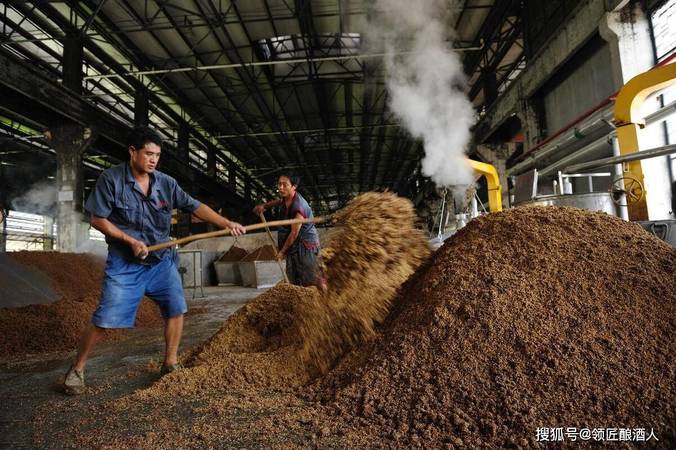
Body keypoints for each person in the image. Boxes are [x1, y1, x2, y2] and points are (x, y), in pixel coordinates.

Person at [62, 126, 245, 395]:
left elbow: (194, 206)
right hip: (126, 264)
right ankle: (77, 369)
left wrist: (226, 222)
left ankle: (170, 362)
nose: (153, 160)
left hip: (161, 261)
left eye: (157, 155)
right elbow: (98, 219)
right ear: (132, 151)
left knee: (176, 308)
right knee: (105, 318)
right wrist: (130, 241)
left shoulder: (166, 183)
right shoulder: (110, 180)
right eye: (148, 153)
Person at [253, 174, 324, 288]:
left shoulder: (299, 207)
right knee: (293, 276)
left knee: (311, 277)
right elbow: (279, 201)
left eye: (285, 185)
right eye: (279, 184)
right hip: (294, 244)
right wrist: (265, 206)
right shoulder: (287, 199)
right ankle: (298, 299)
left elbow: (294, 233)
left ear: (294, 187)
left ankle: (322, 300)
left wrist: (282, 252)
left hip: (306, 245)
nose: (281, 187)